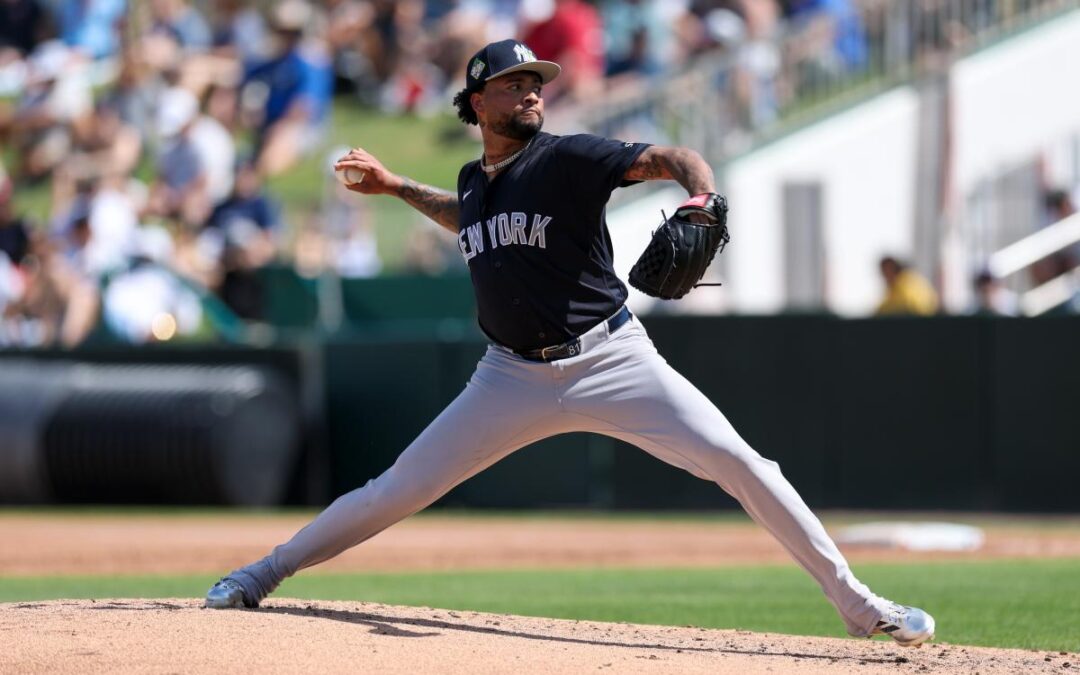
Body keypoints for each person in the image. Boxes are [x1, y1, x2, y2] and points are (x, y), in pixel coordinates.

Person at [205, 38, 935, 648]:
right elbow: (468, 217)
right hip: (508, 377)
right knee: (396, 489)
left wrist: (700, 197)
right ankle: (260, 574)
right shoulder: (474, 181)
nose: (531, 92)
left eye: (536, 83)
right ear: (477, 102)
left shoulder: (569, 158)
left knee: (743, 463)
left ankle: (858, 603)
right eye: (514, 83)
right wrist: (398, 188)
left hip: (613, 357)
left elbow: (675, 156)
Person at [875, 255, 939, 316]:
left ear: (893, 268)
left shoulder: (904, 281)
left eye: (886, 271)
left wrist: (878, 312)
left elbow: (902, 303)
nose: (884, 276)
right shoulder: (903, 280)